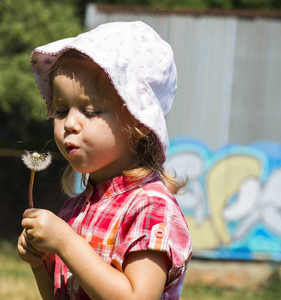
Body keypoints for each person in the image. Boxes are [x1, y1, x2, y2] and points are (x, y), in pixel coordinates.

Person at [17, 21, 192, 300]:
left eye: (90, 110)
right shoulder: (76, 207)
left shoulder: (149, 206)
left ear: (139, 123)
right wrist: (41, 263)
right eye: (61, 110)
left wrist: (66, 243)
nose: (70, 124)